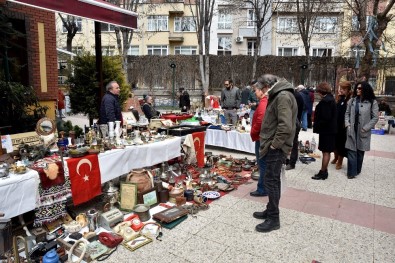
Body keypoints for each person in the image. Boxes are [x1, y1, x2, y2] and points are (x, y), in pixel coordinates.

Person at [253, 74, 297, 233]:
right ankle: (270, 209)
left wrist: (274, 146)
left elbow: (285, 126)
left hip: (276, 148)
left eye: (260, 89)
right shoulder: (280, 94)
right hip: (275, 146)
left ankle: (273, 218)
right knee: (272, 180)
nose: (260, 93)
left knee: (271, 181)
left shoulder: (283, 96)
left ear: (266, 86)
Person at [345, 82, 379, 179]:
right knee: (351, 151)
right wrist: (347, 125)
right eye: (357, 88)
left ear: (365, 89)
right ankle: (351, 173)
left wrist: (366, 128)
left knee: (360, 152)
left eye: (360, 88)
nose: (357, 90)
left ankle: (357, 170)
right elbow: (347, 114)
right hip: (351, 129)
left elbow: (375, 117)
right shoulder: (352, 100)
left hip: (363, 131)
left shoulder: (372, 102)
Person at [311, 82, 337, 180]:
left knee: (326, 152)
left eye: (318, 91)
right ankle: (324, 170)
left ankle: (323, 172)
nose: (317, 93)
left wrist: (317, 123)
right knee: (326, 151)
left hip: (327, 131)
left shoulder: (326, 101)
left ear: (321, 91)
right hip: (329, 130)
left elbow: (326, 117)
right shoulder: (330, 99)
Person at [249, 80, 270, 197]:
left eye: (256, 90)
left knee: (262, 163)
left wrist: (253, 131)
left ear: (261, 91)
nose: (255, 92)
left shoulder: (263, 102)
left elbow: (260, 120)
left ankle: (262, 189)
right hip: (263, 136)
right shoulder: (264, 101)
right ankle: (265, 187)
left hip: (261, 137)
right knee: (264, 163)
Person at [331, 81, 352, 170]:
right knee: (334, 143)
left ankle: (340, 160)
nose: (341, 90)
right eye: (341, 88)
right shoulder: (339, 98)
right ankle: (336, 157)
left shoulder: (349, 99)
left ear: (348, 90)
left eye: (344, 89)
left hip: (343, 126)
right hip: (336, 124)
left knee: (341, 144)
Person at [285, 86, 304, 170]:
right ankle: (289, 161)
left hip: (293, 122)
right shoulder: (297, 95)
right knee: (293, 142)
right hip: (295, 121)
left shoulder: (294, 97)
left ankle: (292, 163)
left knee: (293, 142)